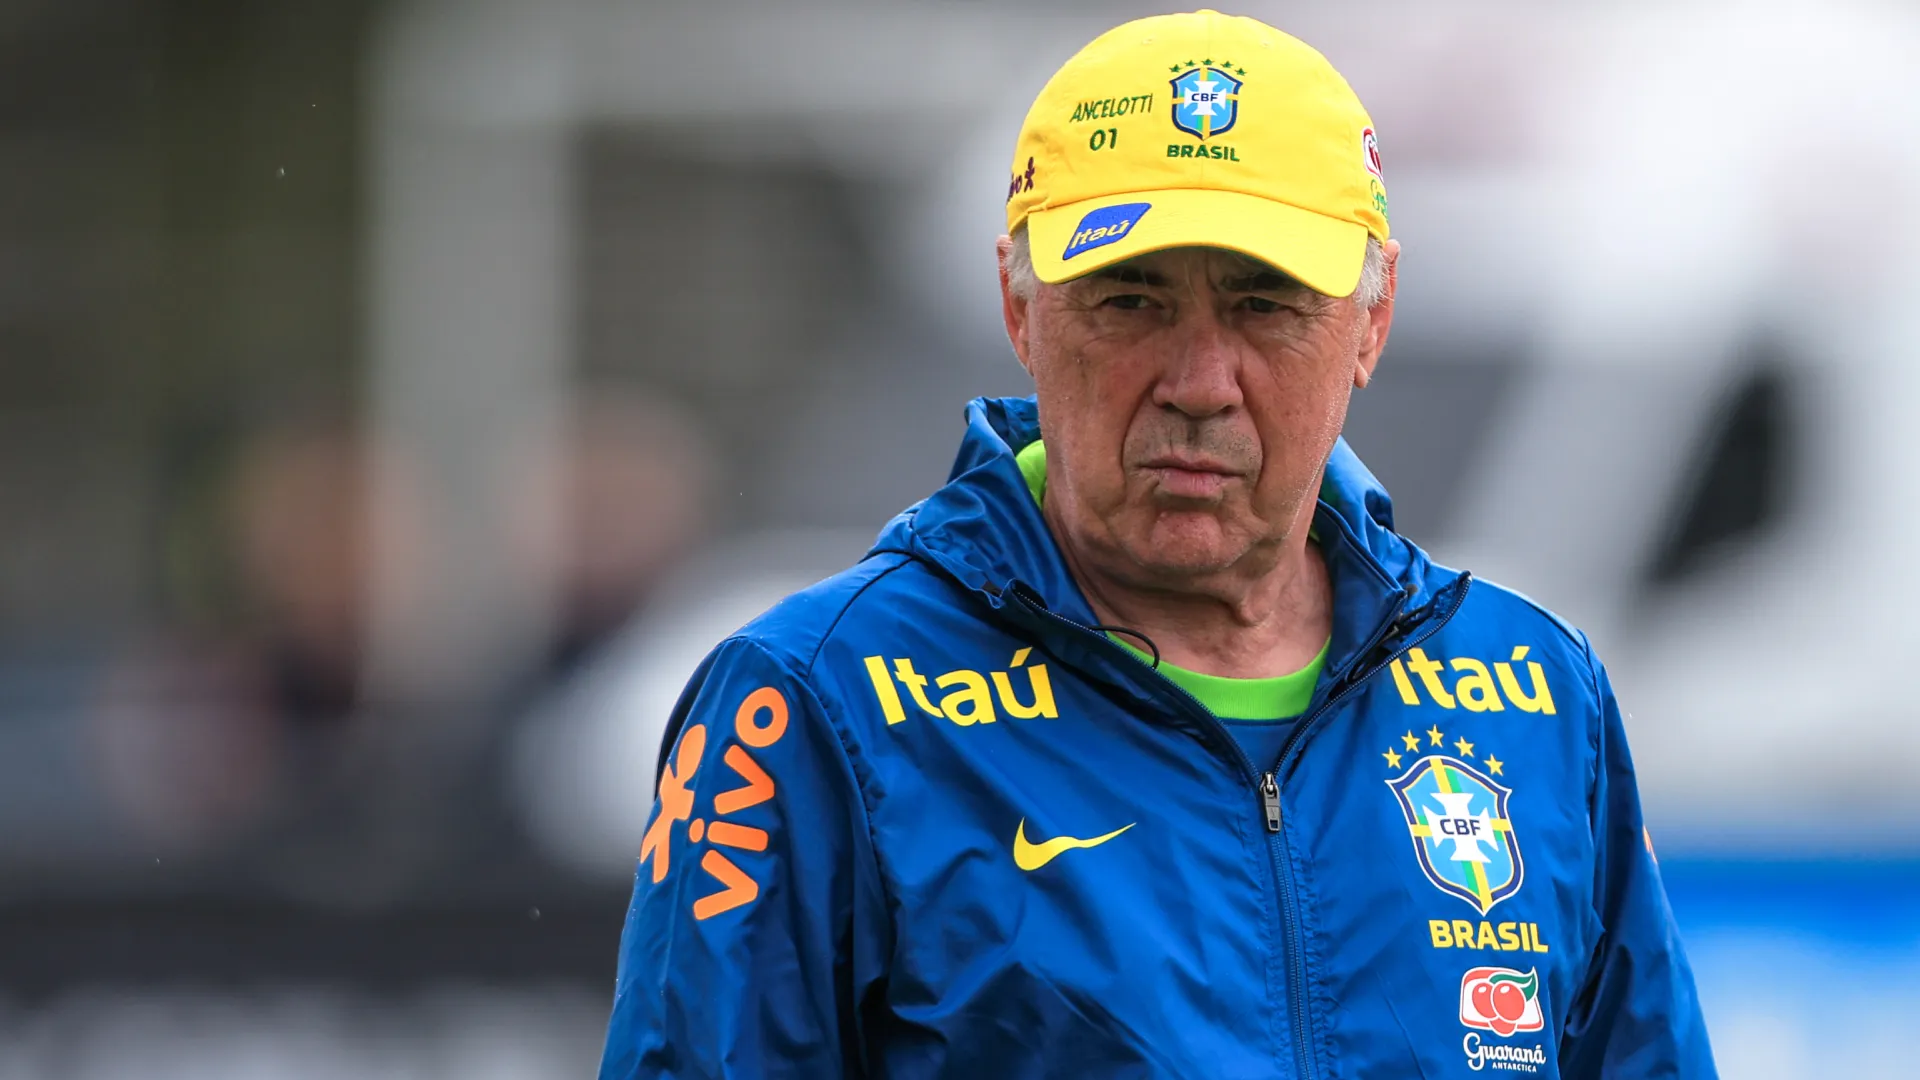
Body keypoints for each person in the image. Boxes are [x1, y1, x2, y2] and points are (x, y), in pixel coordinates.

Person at [598, 10, 1715, 1078]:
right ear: (1019, 309)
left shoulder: (1537, 693)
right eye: (1130, 301)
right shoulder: (816, 701)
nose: (1200, 382)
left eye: (1266, 306)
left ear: (1370, 323)